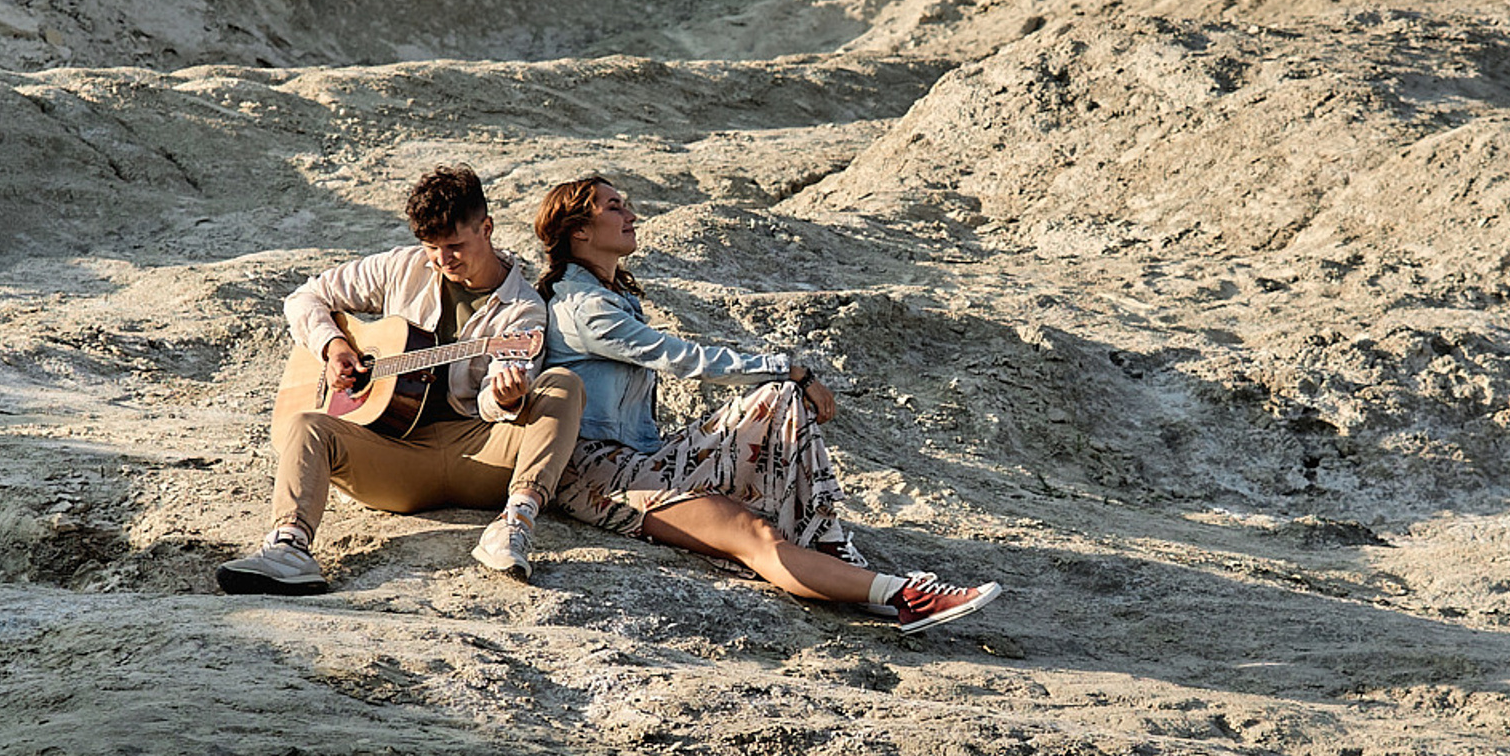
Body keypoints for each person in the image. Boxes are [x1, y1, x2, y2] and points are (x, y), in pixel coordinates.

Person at [534, 176, 1003, 631]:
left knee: (778, 400)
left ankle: (834, 549)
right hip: (595, 475)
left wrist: (786, 380)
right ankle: (898, 594)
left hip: (641, 458)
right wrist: (788, 366)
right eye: (613, 207)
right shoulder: (583, 306)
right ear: (579, 229)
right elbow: (682, 358)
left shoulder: (604, 295)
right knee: (755, 534)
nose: (631, 214)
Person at [217, 164, 586, 596]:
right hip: (396, 456)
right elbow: (306, 297)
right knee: (305, 424)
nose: (442, 260)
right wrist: (334, 347)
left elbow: (493, 400)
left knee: (564, 384)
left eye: (455, 245)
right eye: (431, 247)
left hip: (480, 454)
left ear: (486, 228)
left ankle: (513, 525)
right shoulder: (402, 267)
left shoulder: (521, 309)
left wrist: (505, 396)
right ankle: (290, 549)